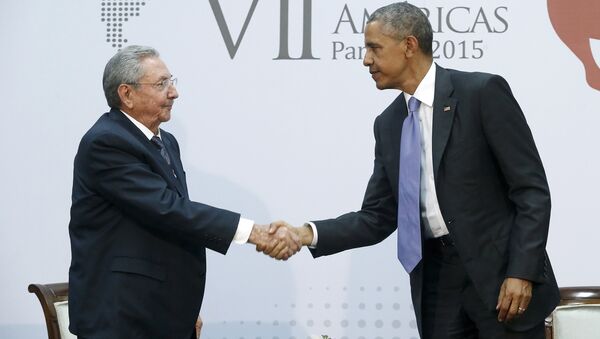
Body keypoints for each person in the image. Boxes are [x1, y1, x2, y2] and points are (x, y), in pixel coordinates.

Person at [263, 3, 559, 338]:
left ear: (408, 46)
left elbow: (531, 191)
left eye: (374, 48)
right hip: (436, 284)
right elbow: (377, 217)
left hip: (501, 279)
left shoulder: (481, 93)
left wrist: (522, 272)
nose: (365, 60)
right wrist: (305, 234)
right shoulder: (389, 124)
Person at [68, 45, 298, 339]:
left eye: (172, 81)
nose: (174, 92)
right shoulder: (106, 143)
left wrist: (182, 309)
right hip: (122, 318)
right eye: (162, 84)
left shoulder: (166, 142)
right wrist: (253, 233)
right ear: (127, 94)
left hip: (158, 311)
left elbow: (174, 225)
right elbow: (168, 209)